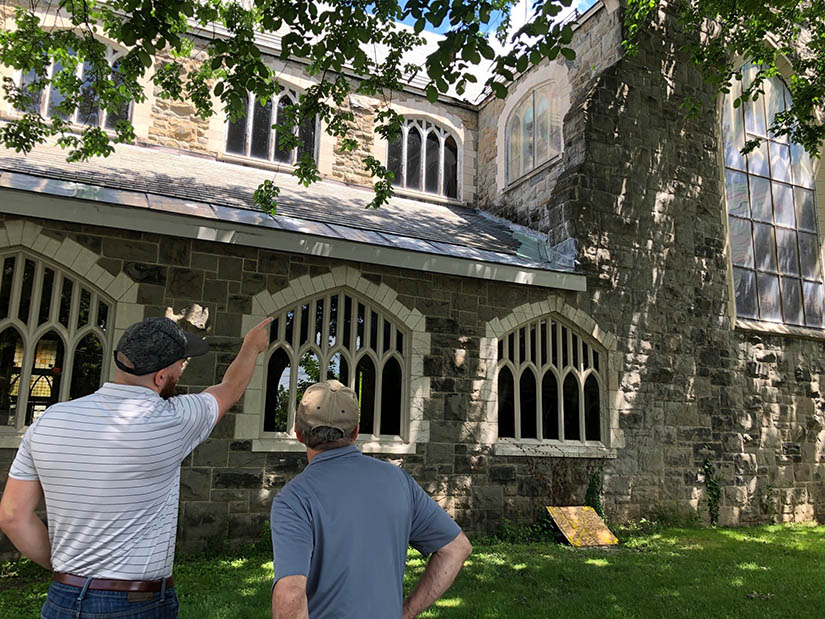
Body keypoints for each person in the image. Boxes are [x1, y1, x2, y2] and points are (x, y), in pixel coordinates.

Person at [0, 315, 272, 618]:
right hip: (134, 604)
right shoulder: (172, 421)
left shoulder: (49, 422)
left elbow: (12, 516)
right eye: (180, 365)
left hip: (62, 597)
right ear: (159, 377)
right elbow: (230, 387)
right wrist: (252, 347)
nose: (181, 370)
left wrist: (72, 571)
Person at [270, 380, 472, 619]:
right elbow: (457, 548)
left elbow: (291, 596)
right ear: (355, 432)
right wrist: (406, 613)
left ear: (298, 433)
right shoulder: (399, 481)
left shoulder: (294, 499)